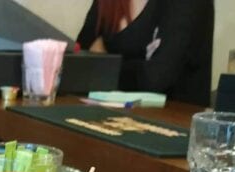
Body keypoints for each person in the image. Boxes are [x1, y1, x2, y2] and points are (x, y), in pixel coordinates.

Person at [77, 0, 215, 105]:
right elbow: (78, 64)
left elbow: (156, 78)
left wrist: (104, 64)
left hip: (170, 122)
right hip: (109, 114)